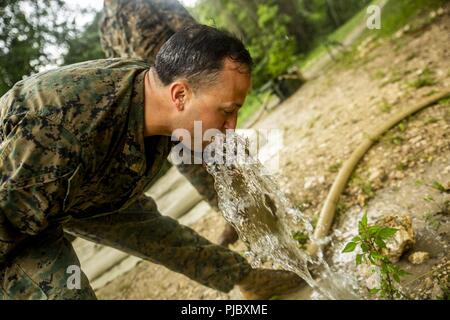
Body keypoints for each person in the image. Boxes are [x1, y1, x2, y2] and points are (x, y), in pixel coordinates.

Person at [0, 24, 303, 299]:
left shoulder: (155, 98)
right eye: (225, 112)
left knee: (152, 230)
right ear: (180, 95)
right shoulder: (60, 130)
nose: (231, 125)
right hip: (15, 205)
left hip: (73, 177)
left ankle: (248, 279)